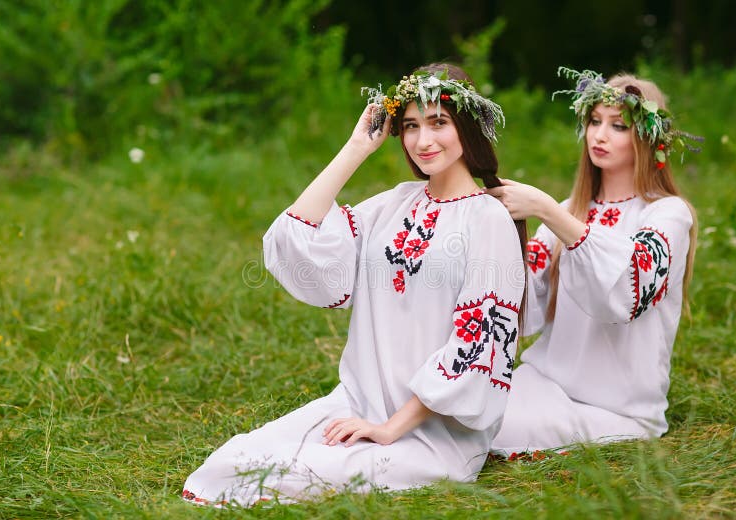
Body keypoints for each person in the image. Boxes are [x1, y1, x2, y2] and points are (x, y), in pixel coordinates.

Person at [182, 63, 525, 506]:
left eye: (439, 122)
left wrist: (389, 429)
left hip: (436, 433)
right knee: (236, 461)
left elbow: (478, 344)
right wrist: (355, 148)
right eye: (410, 126)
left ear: (468, 125)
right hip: (359, 404)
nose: (423, 141)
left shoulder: (487, 218)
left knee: (288, 475)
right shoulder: (396, 202)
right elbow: (297, 239)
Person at [487, 67, 701, 455]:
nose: (599, 135)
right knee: (463, 406)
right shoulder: (571, 209)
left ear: (648, 137)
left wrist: (550, 214)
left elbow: (627, 292)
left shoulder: (668, 215)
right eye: (594, 121)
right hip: (545, 379)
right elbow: (523, 296)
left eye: (618, 126)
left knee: (485, 426)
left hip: (617, 406)